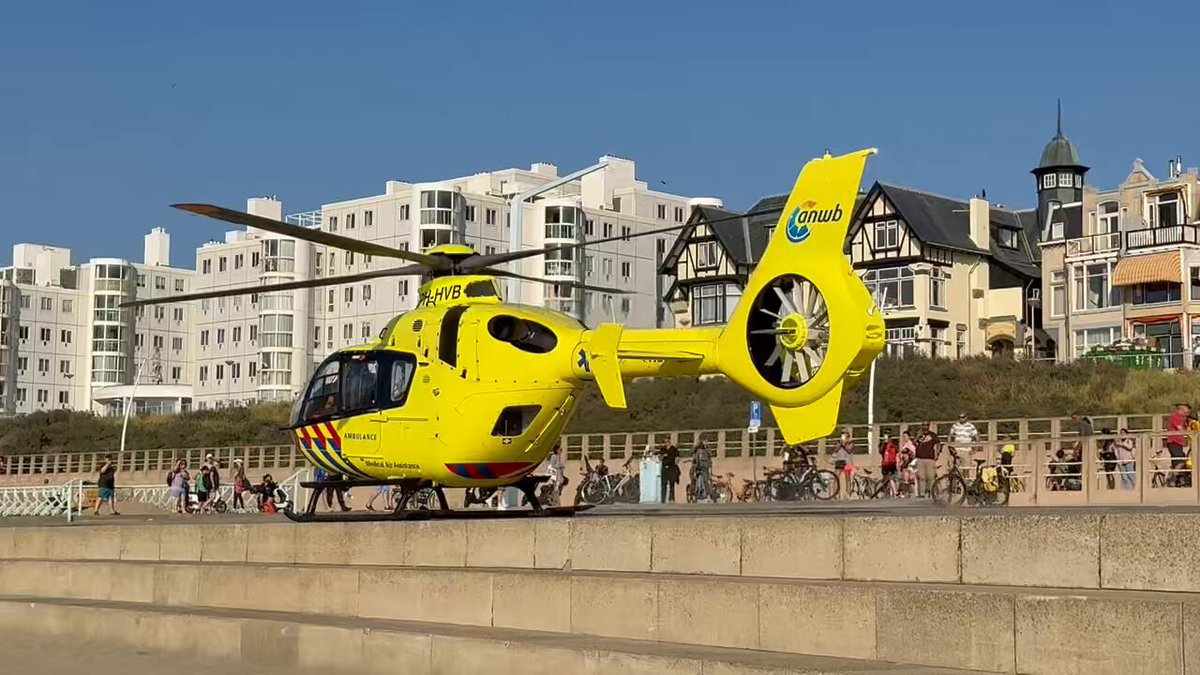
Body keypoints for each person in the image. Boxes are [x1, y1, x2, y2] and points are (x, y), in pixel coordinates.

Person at [1166, 403, 1190, 487]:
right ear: (1181, 410)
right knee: (1181, 461)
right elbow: (1181, 429)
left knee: (1180, 462)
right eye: (1186, 410)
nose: (1188, 412)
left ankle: (1179, 480)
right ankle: (1172, 478)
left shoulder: (1184, 419)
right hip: (1173, 442)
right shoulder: (1175, 417)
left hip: (1179, 443)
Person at [914, 422, 939, 498]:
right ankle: (922, 493)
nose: (925, 426)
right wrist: (918, 436)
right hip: (920, 458)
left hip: (930, 458)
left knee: (931, 477)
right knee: (921, 477)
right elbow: (914, 442)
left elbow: (938, 443)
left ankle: (932, 493)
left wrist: (937, 453)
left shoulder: (933, 435)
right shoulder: (919, 434)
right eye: (924, 425)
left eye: (927, 425)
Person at [879, 431, 899, 496]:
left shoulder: (894, 444)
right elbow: (880, 451)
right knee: (887, 478)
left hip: (892, 464)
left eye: (889, 436)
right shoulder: (882, 444)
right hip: (885, 464)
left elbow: (897, 450)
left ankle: (894, 492)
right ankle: (889, 492)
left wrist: (891, 444)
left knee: (894, 478)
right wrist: (884, 443)